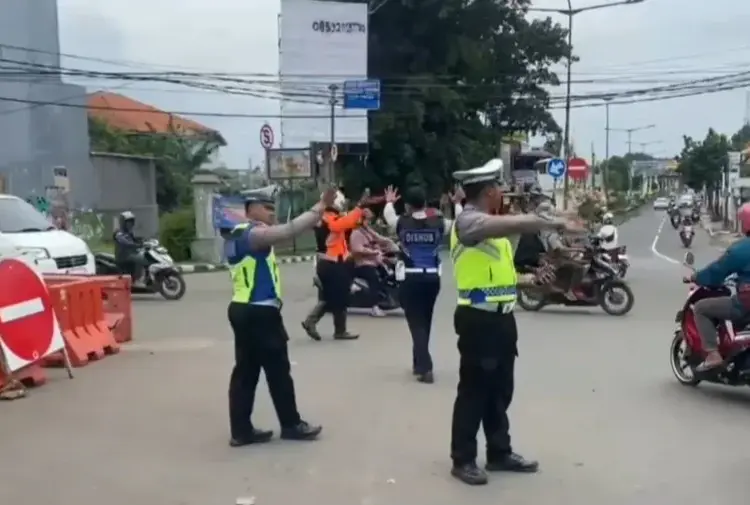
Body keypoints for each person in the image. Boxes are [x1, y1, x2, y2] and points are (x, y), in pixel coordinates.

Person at [448, 158, 581, 485]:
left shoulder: (494, 229)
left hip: (502, 319)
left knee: (499, 390)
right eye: (499, 190)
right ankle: (462, 458)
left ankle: (499, 452)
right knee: (474, 391)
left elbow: (500, 279)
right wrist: (542, 221)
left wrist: (533, 281)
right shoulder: (468, 223)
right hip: (477, 320)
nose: (503, 196)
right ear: (490, 192)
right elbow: (501, 225)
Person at [224, 187, 334, 446]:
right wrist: (320, 206)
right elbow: (287, 231)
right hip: (260, 312)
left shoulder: (235, 234)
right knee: (278, 371)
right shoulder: (253, 234)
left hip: (243, 308)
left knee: (246, 372)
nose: (272, 213)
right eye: (267, 208)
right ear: (250, 209)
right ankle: (291, 424)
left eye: (273, 208)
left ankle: (241, 431)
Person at [382, 186, 464, 383]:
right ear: (426, 204)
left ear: (408, 205)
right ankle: (418, 362)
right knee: (425, 320)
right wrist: (457, 203)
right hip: (432, 279)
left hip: (411, 278)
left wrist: (389, 201)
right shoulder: (438, 222)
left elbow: (388, 215)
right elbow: (459, 224)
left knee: (416, 323)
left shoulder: (402, 222)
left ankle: (425, 367)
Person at [687, 203, 750, 372]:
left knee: (701, 308)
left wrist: (696, 277)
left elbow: (717, 271)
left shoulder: (742, 249)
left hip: (746, 303)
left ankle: (713, 355)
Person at [301, 190, 369, 341]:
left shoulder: (330, 216)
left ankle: (315, 323)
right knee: (339, 296)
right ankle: (334, 329)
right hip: (331, 263)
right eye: (341, 202)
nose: (342, 205)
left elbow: (351, 223)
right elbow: (341, 225)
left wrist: (361, 213)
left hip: (331, 263)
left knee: (331, 296)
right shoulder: (326, 218)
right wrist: (358, 207)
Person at [349, 208, 398, 317]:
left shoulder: (367, 230)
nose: (369, 222)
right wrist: (373, 252)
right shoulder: (356, 233)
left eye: (369, 219)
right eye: (367, 219)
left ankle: (386, 298)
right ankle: (374, 307)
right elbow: (357, 249)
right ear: (360, 220)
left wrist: (392, 243)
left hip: (374, 262)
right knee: (374, 278)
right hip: (362, 264)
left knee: (388, 275)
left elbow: (379, 238)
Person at [113, 211, 147, 285]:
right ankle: (138, 279)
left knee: (144, 256)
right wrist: (136, 245)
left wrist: (143, 241)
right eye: (128, 222)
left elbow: (135, 239)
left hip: (129, 254)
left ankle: (143, 277)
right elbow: (125, 242)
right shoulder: (119, 233)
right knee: (141, 259)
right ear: (123, 223)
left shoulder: (129, 232)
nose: (130, 224)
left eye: (131, 222)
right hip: (122, 256)